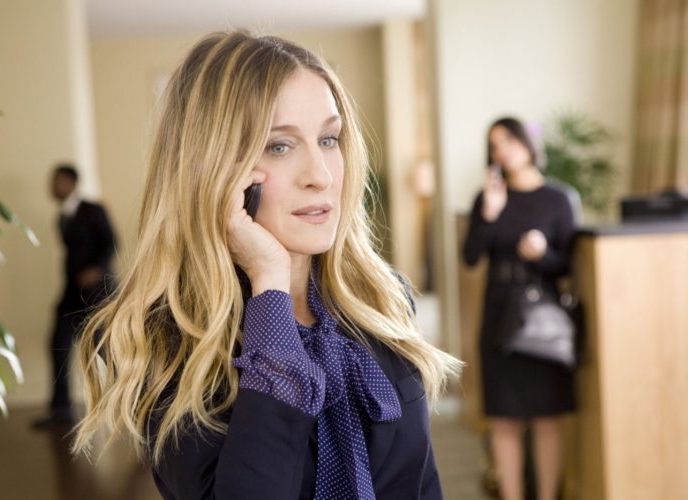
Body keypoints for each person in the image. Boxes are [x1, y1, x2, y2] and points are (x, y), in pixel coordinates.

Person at [72, 30, 461, 499]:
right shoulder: (164, 339)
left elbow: (422, 485)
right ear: (213, 170)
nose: (320, 175)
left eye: (329, 139)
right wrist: (270, 286)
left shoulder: (383, 296)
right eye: (279, 146)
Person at [462, 117, 579, 500]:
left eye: (509, 141)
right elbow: (470, 257)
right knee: (504, 420)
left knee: (548, 419)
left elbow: (567, 265)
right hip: (498, 313)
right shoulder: (489, 196)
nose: (503, 151)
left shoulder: (559, 198)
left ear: (527, 143)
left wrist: (542, 254)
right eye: (494, 145)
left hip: (543, 316)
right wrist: (489, 214)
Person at [32, 164, 117, 429]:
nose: (52, 186)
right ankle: (61, 409)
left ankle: (140, 401)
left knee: (107, 348)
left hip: (98, 292)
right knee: (58, 343)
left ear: (71, 183)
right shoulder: (61, 217)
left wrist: (96, 269)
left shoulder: (94, 210)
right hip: (71, 292)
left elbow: (112, 243)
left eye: (56, 181)